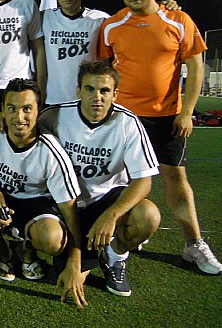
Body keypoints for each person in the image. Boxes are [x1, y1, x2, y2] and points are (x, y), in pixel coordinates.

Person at [98, 0, 222, 275]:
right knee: (120, 179)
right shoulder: (112, 25)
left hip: (168, 117)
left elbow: (196, 67)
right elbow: (104, 69)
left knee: (175, 179)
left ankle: (193, 244)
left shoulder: (178, 19)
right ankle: (128, 233)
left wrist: (187, 112)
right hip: (126, 119)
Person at [38, 59, 162, 297]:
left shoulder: (127, 123)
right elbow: (22, 131)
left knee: (148, 216)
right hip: (65, 204)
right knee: (51, 244)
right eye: (90, 89)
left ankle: (115, 256)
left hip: (106, 200)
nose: (97, 97)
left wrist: (111, 215)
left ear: (115, 94)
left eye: (105, 90)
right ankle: (31, 252)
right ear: (78, 91)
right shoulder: (54, 116)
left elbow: (143, 180)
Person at [0, 78, 86, 307]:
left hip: (35, 204)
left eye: (27, 109)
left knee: (53, 240)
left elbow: (70, 212)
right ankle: (2, 251)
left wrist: (75, 260)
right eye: (11, 108)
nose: (19, 117)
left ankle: (27, 249)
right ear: (2, 109)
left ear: (38, 111)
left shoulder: (52, 153)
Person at [43, 0, 182, 105]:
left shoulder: (100, 19)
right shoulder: (44, 18)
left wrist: (162, 6)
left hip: (89, 101)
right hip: (53, 100)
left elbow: (133, 16)